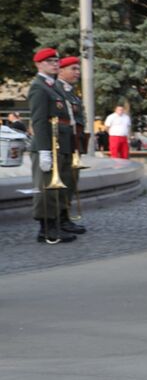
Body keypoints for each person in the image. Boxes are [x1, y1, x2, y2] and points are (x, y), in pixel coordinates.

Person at [27, 48, 75, 244]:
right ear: (39, 64)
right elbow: (38, 121)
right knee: (46, 188)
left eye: (56, 61)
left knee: (57, 187)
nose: (55, 64)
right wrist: (45, 150)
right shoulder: (39, 87)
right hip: (47, 145)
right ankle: (46, 228)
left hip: (59, 143)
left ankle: (56, 224)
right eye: (49, 61)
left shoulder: (53, 86)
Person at [54, 56, 87, 234]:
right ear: (61, 71)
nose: (77, 72)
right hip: (62, 144)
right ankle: (59, 218)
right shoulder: (56, 89)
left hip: (74, 142)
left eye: (78, 69)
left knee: (71, 181)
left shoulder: (71, 92)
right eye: (73, 69)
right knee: (63, 181)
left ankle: (65, 216)